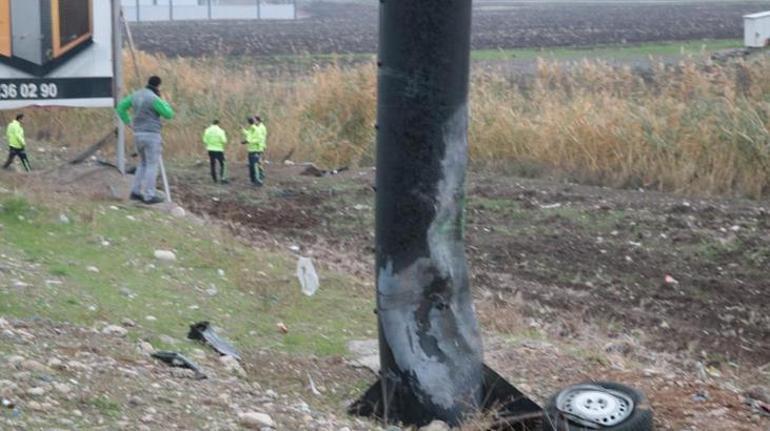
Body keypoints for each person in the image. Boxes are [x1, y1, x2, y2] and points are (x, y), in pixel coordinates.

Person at [116, 76, 174, 204]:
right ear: (158, 85)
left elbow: (120, 107)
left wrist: (128, 122)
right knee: (152, 165)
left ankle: (135, 192)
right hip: (152, 135)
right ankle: (149, 195)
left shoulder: (136, 95)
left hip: (138, 134)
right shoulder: (154, 98)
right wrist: (163, 100)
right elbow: (169, 114)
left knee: (142, 163)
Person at [241, 116, 267, 186]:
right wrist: (243, 130)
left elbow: (259, 139)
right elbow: (249, 135)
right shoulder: (252, 128)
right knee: (253, 165)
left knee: (256, 164)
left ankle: (258, 179)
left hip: (256, 149)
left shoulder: (258, 128)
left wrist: (248, 141)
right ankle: (255, 179)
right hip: (252, 149)